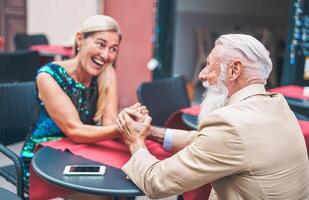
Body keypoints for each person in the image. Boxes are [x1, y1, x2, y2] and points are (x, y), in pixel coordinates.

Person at [116, 34, 309, 199]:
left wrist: (135, 141)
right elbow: (212, 143)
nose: (201, 75)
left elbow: (156, 182)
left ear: (234, 70)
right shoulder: (277, 104)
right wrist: (150, 132)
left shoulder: (231, 124)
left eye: (209, 66)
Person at [20, 15, 124, 182]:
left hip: (79, 152)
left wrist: (128, 119)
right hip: (42, 159)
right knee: (97, 193)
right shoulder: (49, 76)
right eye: (101, 44)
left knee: (120, 180)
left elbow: (109, 123)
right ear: (80, 39)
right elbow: (75, 131)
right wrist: (124, 128)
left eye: (113, 49)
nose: (106, 55)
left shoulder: (107, 73)